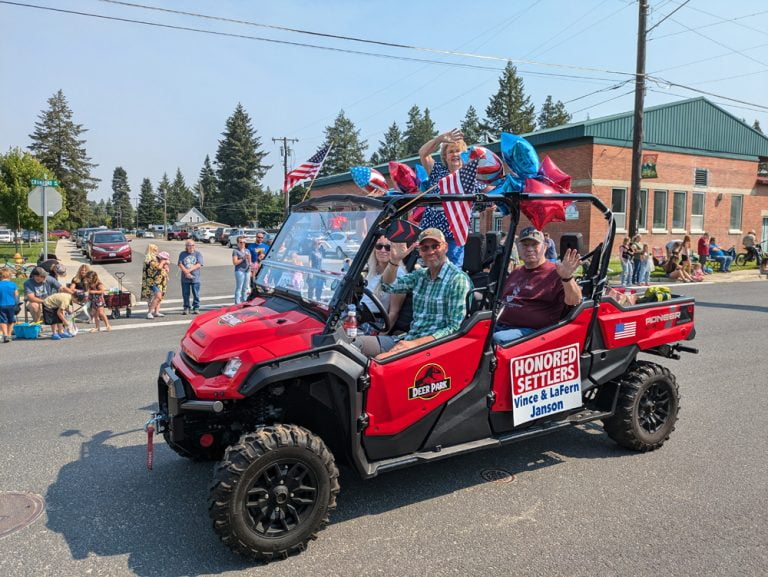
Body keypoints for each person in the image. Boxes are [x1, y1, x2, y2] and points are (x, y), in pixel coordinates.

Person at [353, 228, 472, 359]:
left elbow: (454, 328)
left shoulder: (457, 279)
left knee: (378, 362)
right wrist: (394, 261)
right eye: (425, 248)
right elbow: (387, 286)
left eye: (435, 246)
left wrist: (415, 344)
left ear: (445, 247)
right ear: (420, 252)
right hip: (408, 339)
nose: (430, 251)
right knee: (353, 345)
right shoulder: (420, 275)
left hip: (433, 348)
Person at [493, 227, 582, 345]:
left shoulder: (556, 273)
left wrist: (567, 278)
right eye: (525, 245)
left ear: (545, 247)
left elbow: (575, 301)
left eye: (535, 245)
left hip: (534, 333)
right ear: (518, 249)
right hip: (502, 326)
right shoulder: (516, 272)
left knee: (492, 340)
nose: (529, 249)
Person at [418, 128, 487, 266]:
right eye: (451, 151)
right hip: (431, 234)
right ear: (445, 156)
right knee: (427, 271)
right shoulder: (437, 170)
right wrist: (439, 139)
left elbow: (492, 192)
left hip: (454, 235)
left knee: (451, 271)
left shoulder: (472, 177)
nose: (455, 154)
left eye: (458, 151)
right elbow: (423, 153)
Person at [360, 234, 407, 332]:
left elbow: (394, 312)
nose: (382, 250)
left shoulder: (399, 274)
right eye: (379, 246)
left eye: (388, 247)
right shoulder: (371, 270)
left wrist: (380, 336)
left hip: (376, 323)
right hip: (358, 317)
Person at [178, 240, 203, 314]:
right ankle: (186, 307)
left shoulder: (198, 254)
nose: (191, 247)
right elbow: (180, 264)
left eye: (192, 245)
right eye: (189, 245)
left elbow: (199, 264)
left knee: (196, 293)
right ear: (186, 246)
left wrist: (188, 271)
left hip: (195, 278)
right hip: (185, 278)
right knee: (185, 294)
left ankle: (196, 307)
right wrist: (186, 272)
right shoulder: (182, 254)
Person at [143, 251, 169, 319]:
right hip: (153, 281)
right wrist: (163, 262)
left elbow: (165, 267)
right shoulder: (152, 261)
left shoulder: (160, 261)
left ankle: (156, 312)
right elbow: (158, 267)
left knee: (160, 297)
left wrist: (166, 266)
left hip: (161, 281)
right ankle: (150, 312)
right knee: (158, 296)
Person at [0, 268, 19, 343]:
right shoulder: (13, 284)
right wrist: (16, 303)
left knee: (2, 320)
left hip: (1, 305)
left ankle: (5, 335)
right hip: (11, 305)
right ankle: (9, 334)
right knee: (11, 320)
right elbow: (16, 295)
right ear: (10, 276)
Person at [232, 236, 252, 304]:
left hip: (247, 271)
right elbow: (235, 262)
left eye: (244, 242)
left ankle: (244, 302)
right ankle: (237, 303)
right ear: (237, 243)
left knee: (245, 288)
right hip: (239, 271)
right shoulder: (235, 251)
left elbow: (250, 262)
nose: (242, 244)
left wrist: (250, 266)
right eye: (241, 242)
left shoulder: (247, 250)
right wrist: (243, 258)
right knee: (239, 288)